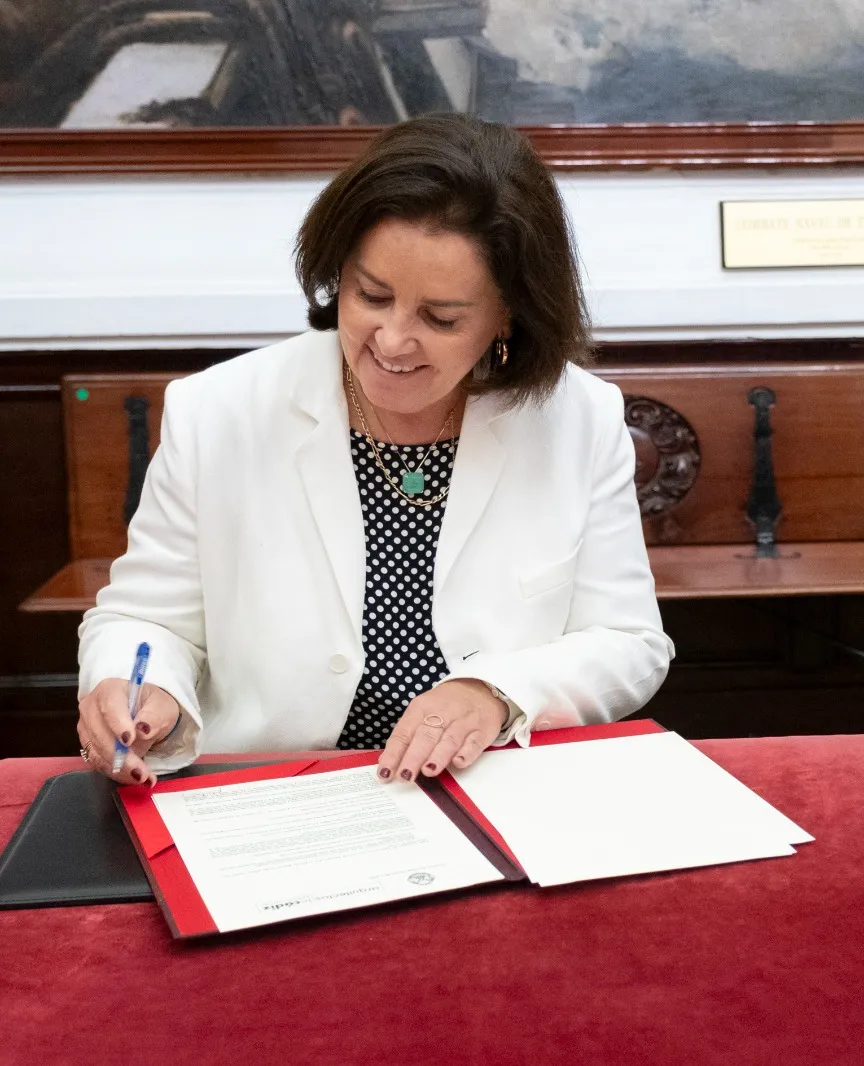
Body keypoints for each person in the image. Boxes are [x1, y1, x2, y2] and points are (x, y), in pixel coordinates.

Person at [76, 113, 673, 783]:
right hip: (279, 788)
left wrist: (496, 693)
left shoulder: (578, 419)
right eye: (372, 296)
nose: (391, 341)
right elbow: (147, 620)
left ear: (509, 313)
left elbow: (629, 645)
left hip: (493, 785)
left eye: (440, 318)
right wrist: (140, 690)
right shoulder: (220, 412)